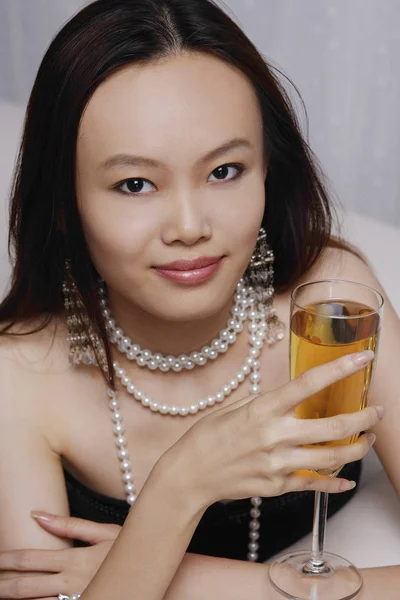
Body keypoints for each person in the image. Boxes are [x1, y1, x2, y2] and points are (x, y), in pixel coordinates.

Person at [0, 0, 399, 598]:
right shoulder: (20, 374)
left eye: (224, 171)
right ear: (65, 203)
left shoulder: (330, 306)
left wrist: (196, 579)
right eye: (135, 184)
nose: (189, 226)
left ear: (268, 169)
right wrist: (180, 485)